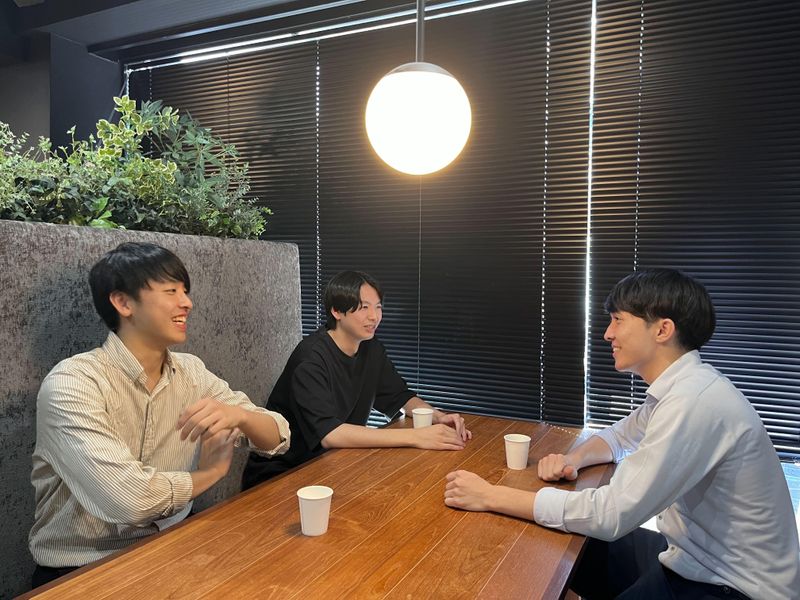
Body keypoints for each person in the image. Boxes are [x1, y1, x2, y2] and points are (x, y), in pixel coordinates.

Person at [444, 268, 800, 599]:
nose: (607, 334)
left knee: (571, 536)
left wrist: (490, 496)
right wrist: (572, 459)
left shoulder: (694, 402)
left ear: (662, 330)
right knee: (572, 547)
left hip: (733, 586)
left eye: (618, 320)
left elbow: (612, 514)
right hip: (691, 555)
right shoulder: (681, 389)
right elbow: (618, 437)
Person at [29, 242, 291, 588]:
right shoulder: (73, 383)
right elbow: (131, 500)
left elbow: (279, 437)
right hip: (83, 570)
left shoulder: (191, 372)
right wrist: (211, 473)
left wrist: (240, 416)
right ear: (123, 303)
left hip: (176, 544)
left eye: (185, 291)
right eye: (171, 291)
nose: (187, 303)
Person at [243, 270, 471, 488]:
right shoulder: (311, 359)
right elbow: (330, 434)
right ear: (336, 311)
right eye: (364, 307)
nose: (374, 316)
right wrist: (416, 436)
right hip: (283, 475)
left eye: (378, 307)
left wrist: (438, 417)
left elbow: (399, 396)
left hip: (334, 465)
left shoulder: (371, 348)